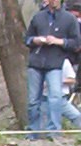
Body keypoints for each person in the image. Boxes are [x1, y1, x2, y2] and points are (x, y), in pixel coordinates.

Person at [24, 0, 80, 137]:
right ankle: (33, 132)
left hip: (55, 63)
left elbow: (76, 42)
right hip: (36, 63)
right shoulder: (38, 17)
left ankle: (54, 131)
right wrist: (35, 40)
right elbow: (26, 39)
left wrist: (59, 41)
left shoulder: (69, 19)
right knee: (33, 100)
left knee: (55, 97)